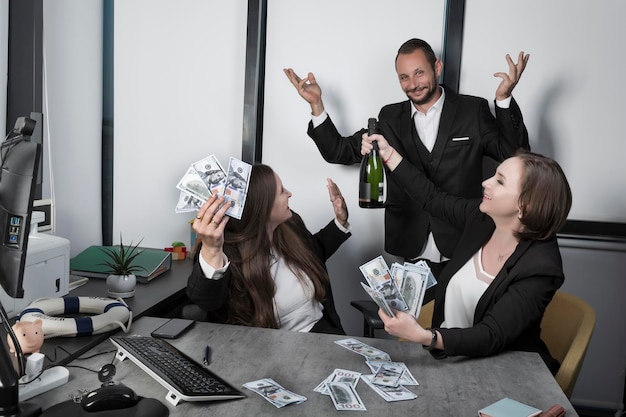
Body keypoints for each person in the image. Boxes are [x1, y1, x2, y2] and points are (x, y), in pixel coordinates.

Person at [284, 38, 531, 286]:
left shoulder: (472, 110)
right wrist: (316, 105)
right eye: (404, 77)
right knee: (410, 321)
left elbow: (514, 153)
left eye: (419, 73)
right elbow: (338, 151)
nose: (412, 84)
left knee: (456, 321)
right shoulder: (390, 117)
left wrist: (504, 99)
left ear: (437, 67)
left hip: (463, 241)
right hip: (410, 245)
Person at [363, 130, 571, 374]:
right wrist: (388, 155)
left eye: (500, 181)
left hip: (507, 374)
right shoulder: (481, 218)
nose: (486, 182)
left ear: (525, 206)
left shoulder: (541, 267)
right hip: (451, 362)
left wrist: (425, 336)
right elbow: (432, 198)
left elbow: (491, 335)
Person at [187, 164, 351, 335]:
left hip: (322, 333)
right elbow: (206, 300)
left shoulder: (291, 223)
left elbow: (313, 252)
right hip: (270, 348)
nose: (289, 193)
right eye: (281, 191)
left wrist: (340, 221)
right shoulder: (226, 251)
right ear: (262, 205)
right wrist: (211, 249)